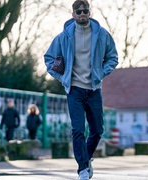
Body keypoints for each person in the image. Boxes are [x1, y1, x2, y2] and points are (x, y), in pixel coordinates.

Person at [44, 0, 118, 179]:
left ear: (89, 12)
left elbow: (113, 57)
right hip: (74, 90)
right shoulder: (64, 37)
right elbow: (48, 58)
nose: (82, 13)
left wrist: (100, 73)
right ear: (73, 14)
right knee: (77, 130)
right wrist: (63, 78)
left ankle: (87, 157)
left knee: (97, 130)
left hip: (94, 89)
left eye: (85, 10)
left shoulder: (101, 34)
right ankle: (83, 169)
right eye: (79, 11)